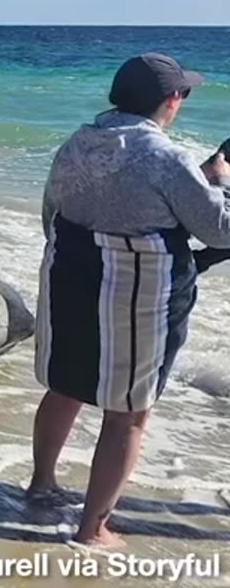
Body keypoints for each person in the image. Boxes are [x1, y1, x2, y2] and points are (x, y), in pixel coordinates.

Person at [27, 53, 230, 547]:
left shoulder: (76, 143)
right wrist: (220, 182)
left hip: (73, 283)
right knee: (129, 415)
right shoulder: (168, 158)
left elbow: (52, 214)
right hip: (141, 296)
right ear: (171, 100)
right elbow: (218, 229)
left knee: (66, 388)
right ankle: (92, 528)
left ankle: (42, 483)